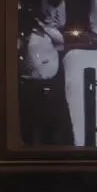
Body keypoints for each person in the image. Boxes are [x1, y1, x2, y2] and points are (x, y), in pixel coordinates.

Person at [16, 9, 70, 145]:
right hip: (30, 84)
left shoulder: (46, 34)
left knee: (53, 119)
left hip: (51, 82)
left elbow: (60, 41)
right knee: (33, 121)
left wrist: (44, 26)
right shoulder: (21, 36)